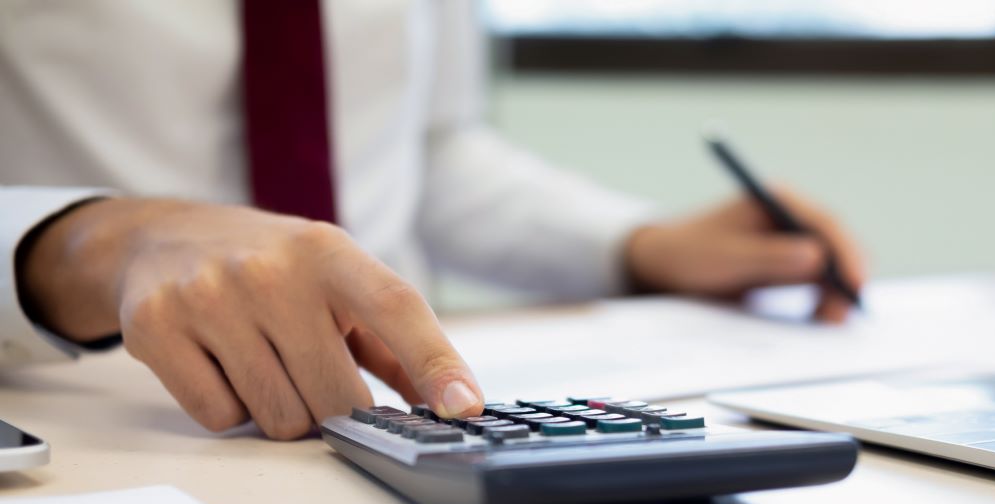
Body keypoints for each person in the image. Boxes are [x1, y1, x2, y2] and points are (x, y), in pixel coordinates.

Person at [0, 0, 865, 440]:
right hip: (102, 413)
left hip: (388, 418)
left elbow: (428, 148)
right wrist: (91, 242)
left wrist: (637, 246)